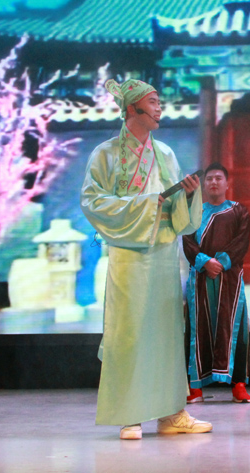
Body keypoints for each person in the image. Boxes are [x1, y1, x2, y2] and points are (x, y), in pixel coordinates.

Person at [81, 78, 211, 440]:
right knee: (130, 331)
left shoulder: (165, 153)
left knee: (167, 333)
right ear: (132, 109)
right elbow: (92, 201)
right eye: (152, 102)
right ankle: (130, 415)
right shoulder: (105, 154)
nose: (159, 108)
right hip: (129, 256)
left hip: (164, 254)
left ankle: (172, 413)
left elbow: (177, 212)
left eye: (158, 102)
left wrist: (187, 195)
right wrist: (146, 204)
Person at [182, 162, 250, 404]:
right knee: (197, 330)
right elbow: (188, 242)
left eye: (218, 178)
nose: (214, 182)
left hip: (230, 280)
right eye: (210, 178)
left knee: (235, 329)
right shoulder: (195, 213)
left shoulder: (239, 211)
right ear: (203, 184)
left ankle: (239, 385)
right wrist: (204, 262)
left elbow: (242, 242)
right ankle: (195, 387)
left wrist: (220, 263)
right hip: (201, 279)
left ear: (227, 183)